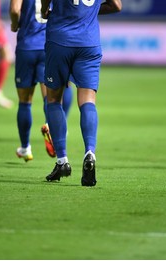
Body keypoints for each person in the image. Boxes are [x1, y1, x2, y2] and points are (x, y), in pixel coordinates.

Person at [41, 0, 122, 186]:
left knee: (53, 99)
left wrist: (46, 9)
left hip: (60, 40)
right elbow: (116, 5)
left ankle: (62, 161)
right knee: (88, 100)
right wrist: (88, 12)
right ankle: (90, 152)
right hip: (88, 42)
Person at [9, 0, 73, 162]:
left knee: (24, 102)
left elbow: (15, 10)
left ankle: (25, 148)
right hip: (49, 46)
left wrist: (15, 25)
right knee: (51, 98)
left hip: (27, 47)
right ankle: (52, 128)